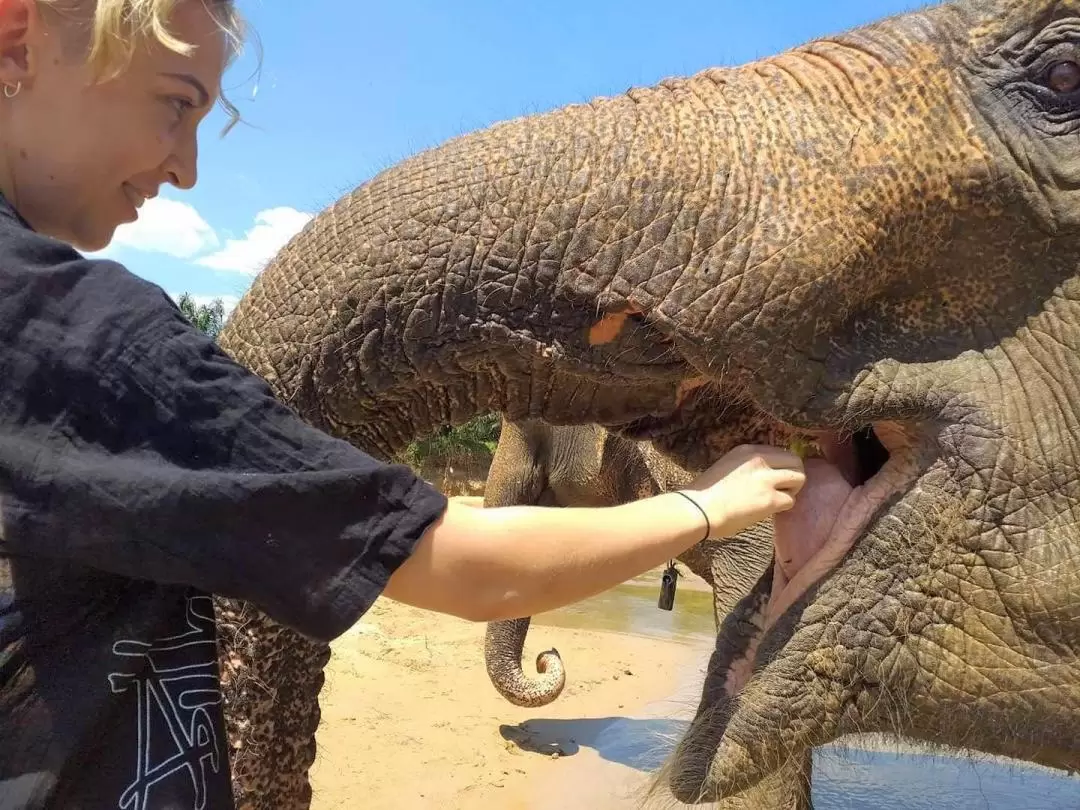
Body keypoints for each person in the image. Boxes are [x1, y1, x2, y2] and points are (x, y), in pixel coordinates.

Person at [0, 1, 807, 808]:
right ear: (15, 41)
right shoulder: (75, 337)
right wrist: (708, 506)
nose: (187, 169)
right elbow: (458, 570)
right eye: (176, 102)